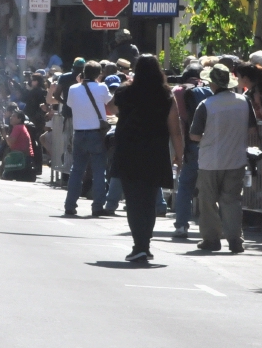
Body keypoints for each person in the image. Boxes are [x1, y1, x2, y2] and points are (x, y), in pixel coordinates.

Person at [109, 55, 185, 262]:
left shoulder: (125, 91)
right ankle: (145, 244)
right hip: (155, 153)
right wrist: (180, 154)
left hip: (129, 152)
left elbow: (109, 108)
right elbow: (175, 130)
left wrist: (126, 83)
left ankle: (139, 245)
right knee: (149, 200)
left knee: (133, 201)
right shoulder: (165, 95)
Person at [189, 64, 259, 253]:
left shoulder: (206, 105)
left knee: (208, 201)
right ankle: (235, 240)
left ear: (212, 83)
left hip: (210, 160)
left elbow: (194, 135)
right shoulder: (244, 102)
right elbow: (252, 129)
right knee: (232, 201)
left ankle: (211, 240)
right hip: (236, 159)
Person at [62, 60, 115, 217]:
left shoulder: (73, 88)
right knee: (99, 171)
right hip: (96, 133)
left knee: (77, 170)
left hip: (79, 132)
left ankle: (70, 205)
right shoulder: (102, 87)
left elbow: (71, 104)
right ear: (99, 74)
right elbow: (109, 102)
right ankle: (97, 206)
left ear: (83, 73)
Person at [171, 65, 211, 239]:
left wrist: (179, 152)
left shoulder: (179, 91)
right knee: (212, 188)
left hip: (191, 143)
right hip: (211, 144)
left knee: (185, 185)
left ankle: (181, 225)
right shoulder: (211, 90)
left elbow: (178, 121)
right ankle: (212, 226)